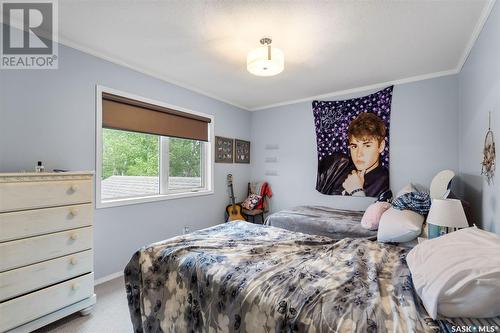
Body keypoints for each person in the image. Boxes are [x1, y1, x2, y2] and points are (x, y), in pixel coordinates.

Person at [316, 112, 391, 200]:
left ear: (381, 146)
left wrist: (357, 191)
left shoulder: (386, 185)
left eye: (367, 146)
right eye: (354, 146)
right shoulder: (339, 166)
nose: (359, 154)